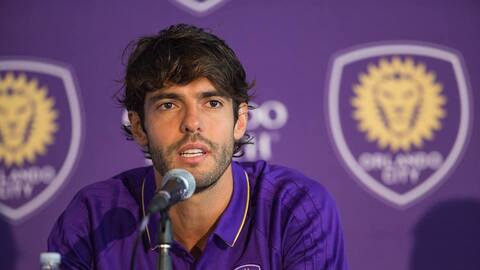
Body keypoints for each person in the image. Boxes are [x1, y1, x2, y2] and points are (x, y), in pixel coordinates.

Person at [48, 24, 348, 270]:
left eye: (212, 103)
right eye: (168, 104)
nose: (192, 122)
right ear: (139, 127)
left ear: (240, 121)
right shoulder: (93, 216)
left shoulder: (296, 210)